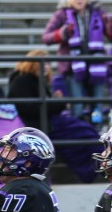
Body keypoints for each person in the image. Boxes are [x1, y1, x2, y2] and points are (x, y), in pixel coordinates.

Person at [8, 50, 102, 183]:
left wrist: (56, 101)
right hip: (38, 126)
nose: (46, 66)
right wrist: (59, 103)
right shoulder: (21, 80)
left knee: (86, 131)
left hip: (50, 122)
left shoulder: (36, 81)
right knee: (83, 132)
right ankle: (89, 171)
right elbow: (30, 109)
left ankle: (93, 170)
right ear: (32, 64)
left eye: (47, 63)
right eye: (43, 63)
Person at [42, 0, 112, 120]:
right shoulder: (62, 14)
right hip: (73, 67)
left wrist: (111, 25)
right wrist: (62, 33)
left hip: (96, 65)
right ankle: (78, 136)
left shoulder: (98, 13)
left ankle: (96, 134)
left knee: (97, 106)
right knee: (77, 106)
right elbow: (46, 37)